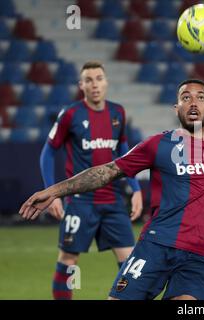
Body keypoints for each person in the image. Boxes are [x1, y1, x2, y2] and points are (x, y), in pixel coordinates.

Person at [21, 79, 204, 300]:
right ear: (176, 108)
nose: (193, 102)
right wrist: (56, 190)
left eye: (200, 97)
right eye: (185, 97)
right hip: (155, 247)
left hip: (200, 257)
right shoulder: (157, 145)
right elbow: (108, 171)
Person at [39, 61, 143, 299]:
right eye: (88, 80)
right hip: (80, 202)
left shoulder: (118, 113)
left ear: (106, 83)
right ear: (81, 85)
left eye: (99, 78)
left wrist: (136, 188)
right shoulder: (70, 115)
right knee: (68, 260)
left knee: (131, 264)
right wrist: (51, 192)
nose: (94, 84)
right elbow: (47, 153)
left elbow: (125, 152)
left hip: (114, 201)